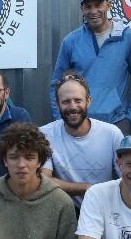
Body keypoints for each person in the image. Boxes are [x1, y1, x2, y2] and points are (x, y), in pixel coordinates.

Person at [50, 0, 131, 134]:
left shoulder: (127, 37)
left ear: (108, 5)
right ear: (82, 9)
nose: (94, 11)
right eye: (88, 6)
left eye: (98, 5)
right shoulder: (71, 41)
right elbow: (55, 84)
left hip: (117, 123)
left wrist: (130, 119)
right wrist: (60, 119)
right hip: (80, 122)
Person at [40, 72, 122, 211]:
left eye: (78, 100)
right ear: (57, 105)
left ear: (88, 101)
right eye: (66, 101)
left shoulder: (111, 134)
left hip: (105, 209)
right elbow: (44, 180)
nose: (72, 107)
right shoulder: (45, 134)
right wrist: (88, 188)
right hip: (64, 210)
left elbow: (126, 177)